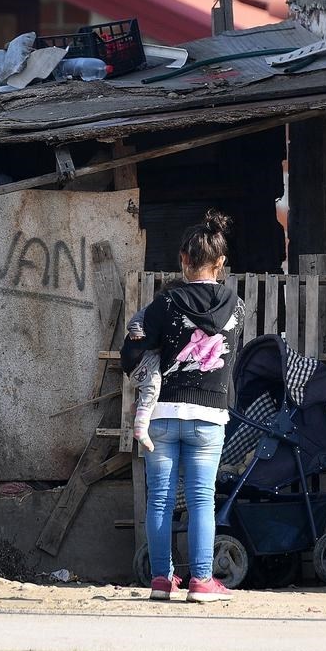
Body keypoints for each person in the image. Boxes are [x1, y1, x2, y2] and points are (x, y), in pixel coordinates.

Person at [122, 210, 244, 603]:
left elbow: (135, 352)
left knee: (159, 498)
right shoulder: (237, 308)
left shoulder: (165, 304)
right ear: (221, 263)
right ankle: (202, 581)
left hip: (161, 415)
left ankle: (161, 581)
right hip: (210, 418)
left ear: (183, 259)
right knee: (201, 499)